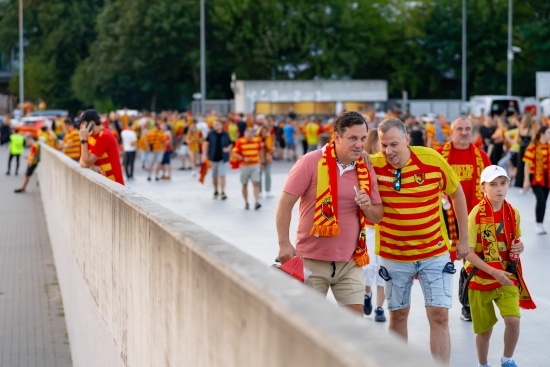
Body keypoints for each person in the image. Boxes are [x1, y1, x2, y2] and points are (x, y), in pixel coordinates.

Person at [371, 118, 469, 366]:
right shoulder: (373, 165)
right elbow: (346, 155)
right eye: (383, 145)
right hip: (394, 256)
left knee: (439, 316)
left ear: (407, 140)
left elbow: (456, 193)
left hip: (434, 253)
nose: (388, 151)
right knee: (398, 316)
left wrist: (464, 239)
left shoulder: (432, 159)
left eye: (394, 144)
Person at [276, 111, 384, 314]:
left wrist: (367, 206)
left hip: (350, 263)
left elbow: (377, 216)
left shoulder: (365, 168)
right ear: (336, 137)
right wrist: (284, 244)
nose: (359, 145)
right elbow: (285, 203)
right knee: (309, 327)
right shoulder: (310, 162)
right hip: (311, 262)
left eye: (362, 139)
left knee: (355, 327)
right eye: (352, 138)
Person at [465, 165, 535, 367]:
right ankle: (483, 364)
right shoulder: (475, 215)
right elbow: (468, 253)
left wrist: (519, 247)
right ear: (482, 188)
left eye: (503, 183)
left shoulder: (513, 212)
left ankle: (507, 359)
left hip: (507, 276)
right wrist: (493, 271)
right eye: (493, 184)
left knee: (513, 321)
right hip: (481, 278)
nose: (499, 189)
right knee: (484, 331)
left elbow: (515, 242)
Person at [438, 116, 491, 321]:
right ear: (451, 133)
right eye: (459, 129)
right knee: (443, 263)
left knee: (472, 263)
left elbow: (492, 188)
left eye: (467, 129)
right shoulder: (439, 156)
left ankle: (467, 303)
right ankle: (441, 306)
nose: (464, 132)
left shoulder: (482, 157)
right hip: (445, 219)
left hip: (473, 220)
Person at [361, 129, 387, 322]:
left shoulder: (390, 164)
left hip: (386, 226)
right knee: (368, 266)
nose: (385, 149)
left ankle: (379, 307)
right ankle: (367, 292)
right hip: (369, 225)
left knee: (383, 270)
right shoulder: (366, 164)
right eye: (382, 144)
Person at [78, 109, 124, 185]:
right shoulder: (91, 136)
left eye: (83, 123)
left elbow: (85, 163)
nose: (81, 127)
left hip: (113, 184)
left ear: (91, 123)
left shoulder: (104, 136)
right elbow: (82, 160)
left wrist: (83, 140)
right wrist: (91, 165)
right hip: (104, 183)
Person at [522, 125, 550, 234]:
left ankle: (541, 224)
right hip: (535, 178)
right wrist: (526, 180)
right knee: (541, 200)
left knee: (544, 202)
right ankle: (538, 224)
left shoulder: (548, 146)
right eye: (548, 133)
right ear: (542, 134)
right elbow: (527, 164)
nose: (549, 135)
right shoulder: (533, 147)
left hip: (547, 178)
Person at [232, 127, 262, 210]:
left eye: (252, 133)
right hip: (244, 166)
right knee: (244, 184)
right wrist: (243, 158)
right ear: (245, 134)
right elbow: (234, 153)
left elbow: (260, 151)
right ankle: (246, 202)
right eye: (248, 133)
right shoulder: (240, 141)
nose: (250, 135)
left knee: (255, 183)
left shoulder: (257, 140)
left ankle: (257, 201)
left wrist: (261, 162)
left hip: (255, 165)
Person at [202, 119, 232, 200]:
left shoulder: (225, 134)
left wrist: (228, 149)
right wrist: (204, 155)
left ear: (221, 125)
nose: (216, 126)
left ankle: (223, 192)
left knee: (222, 175)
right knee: (214, 176)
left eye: (218, 124)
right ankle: (216, 190)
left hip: (223, 158)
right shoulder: (210, 134)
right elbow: (206, 144)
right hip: (213, 157)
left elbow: (230, 144)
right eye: (215, 125)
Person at [257, 124, 274, 198]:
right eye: (263, 131)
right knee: (259, 176)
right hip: (259, 159)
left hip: (267, 158)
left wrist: (271, 150)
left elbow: (272, 147)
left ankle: (268, 191)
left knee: (268, 175)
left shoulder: (269, 138)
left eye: (265, 131)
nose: (264, 133)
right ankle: (259, 191)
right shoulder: (257, 139)